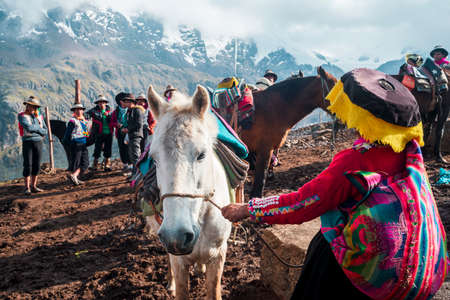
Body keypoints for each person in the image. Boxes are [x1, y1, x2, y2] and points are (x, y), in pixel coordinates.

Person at [221, 69, 448, 300]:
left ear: (362, 115)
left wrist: (249, 208)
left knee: (321, 254)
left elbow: (302, 203)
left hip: (369, 274)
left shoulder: (355, 160)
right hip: (422, 274)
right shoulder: (412, 155)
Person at [18, 96, 47, 195]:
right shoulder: (21, 116)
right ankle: (27, 187)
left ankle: (33, 186)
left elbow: (45, 130)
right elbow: (28, 127)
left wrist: (38, 129)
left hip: (38, 142)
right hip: (28, 142)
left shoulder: (40, 116)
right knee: (28, 165)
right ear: (28, 106)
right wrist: (39, 130)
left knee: (37, 164)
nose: (34, 109)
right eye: (32, 106)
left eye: (36, 107)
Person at [63, 103, 89, 186]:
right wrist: (67, 142)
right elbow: (67, 133)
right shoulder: (72, 121)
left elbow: (85, 132)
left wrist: (86, 134)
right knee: (76, 161)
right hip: (76, 143)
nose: (79, 111)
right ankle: (74, 176)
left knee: (85, 162)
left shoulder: (83, 121)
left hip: (83, 143)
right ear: (74, 111)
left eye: (80, 109)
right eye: (76, 110)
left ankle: (74, 176)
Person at [85, 95, 113, 171]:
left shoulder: (109, 111)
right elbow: (86, 114)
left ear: (105, 103)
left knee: (108, 148)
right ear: (97, 103)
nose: (101, 104)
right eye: (100, 103)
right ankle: (95, 164)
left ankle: (107, 164)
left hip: (109, 132)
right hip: (98, 133)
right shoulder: (94, 111)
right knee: (97, 148)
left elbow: (113, 119)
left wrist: (109, 115)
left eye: (103, 102)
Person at [121, 93, 145, 179]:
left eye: (126, 101)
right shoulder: (131, 111)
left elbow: (139, 124)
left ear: (131, 102)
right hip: (133, 135)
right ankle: (135, 174)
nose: (124, 103)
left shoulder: (137, 111)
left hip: (136, 135)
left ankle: (138, 175)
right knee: (133, 156)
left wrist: (128, 129)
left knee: (135, 156)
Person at [111, 92, 132, 175]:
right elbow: (111, 123)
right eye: (125, 100)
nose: (127, 101)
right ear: (121, 102)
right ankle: (125, 164)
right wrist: (116, 124)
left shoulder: (130, 110)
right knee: (122, 148)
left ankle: (131, 165)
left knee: (130, 148)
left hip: (129, 132)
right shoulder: (115, 112)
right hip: (120, 133)